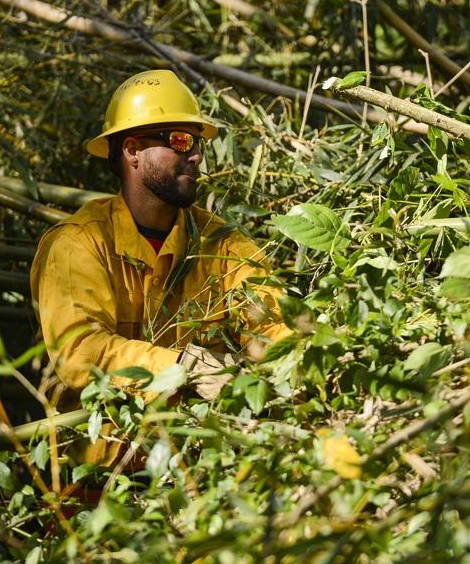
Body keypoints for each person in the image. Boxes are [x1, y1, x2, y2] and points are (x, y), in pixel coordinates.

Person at [30, 69, 289, 466]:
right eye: (180, 141)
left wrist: (311, 355)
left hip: (200, 471)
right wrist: (184, 367)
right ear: (132, 150)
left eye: (197, 142)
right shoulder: (78, 244)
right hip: (99, 481)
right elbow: (80, 353)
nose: (197, 155)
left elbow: (272, 327)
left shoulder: (222, 244)